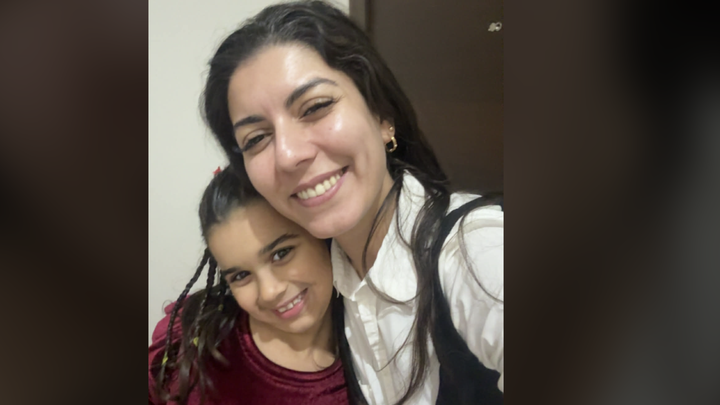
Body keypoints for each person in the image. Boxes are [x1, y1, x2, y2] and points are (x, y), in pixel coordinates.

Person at [201, 1, 504, 404]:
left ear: (381, 114)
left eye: (315, 107)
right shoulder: (335, 284)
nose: (288, 155)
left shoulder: (476, 252)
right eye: (256, 139)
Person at [148, 168, 365, 404]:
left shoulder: (375, 343)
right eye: (241, 275)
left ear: (320, 234)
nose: (269, 292)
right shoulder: (197, 342)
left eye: (281, 253)